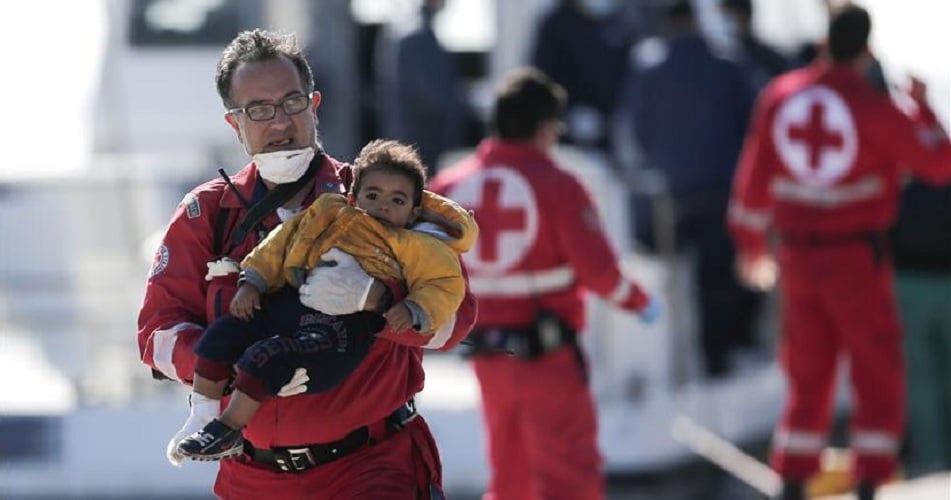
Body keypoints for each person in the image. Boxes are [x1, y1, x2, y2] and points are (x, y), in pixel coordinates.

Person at [136, 29, 476, 499]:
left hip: (372, 469)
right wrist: (233, 368)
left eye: (292, 103)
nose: (280, 122)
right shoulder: (207, 215)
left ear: (314, 105)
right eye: (259, 109)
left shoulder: (380, 196)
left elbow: (456, 321)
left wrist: (378, 302)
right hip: (252, 479)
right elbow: (156, 335)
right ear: (235, 123)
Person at [726, 5, 951, 500]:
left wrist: (749, 249)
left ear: (825, 42)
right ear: (867, 51)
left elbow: (749, 188)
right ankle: (870, 479)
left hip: (797, 260)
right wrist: (924, 107)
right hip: (855, 261)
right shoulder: (873, 109)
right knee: (875, 367)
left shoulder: (779, 98)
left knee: (806, 371)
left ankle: (791, 480)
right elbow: (937, 164)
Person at [429, 67, 660, 500]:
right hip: (547, 358)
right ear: (544, 126)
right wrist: (641, 303)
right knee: (569, 476)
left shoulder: (448, 189)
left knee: (508, 474)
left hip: (488, 357)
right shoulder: (559, 186)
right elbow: (601, 274)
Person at [171, 139, 476, 461]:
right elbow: (279, 245)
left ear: (415, 209)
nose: (383, 206)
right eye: (372, 196)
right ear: (353, 196)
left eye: (397, 200)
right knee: (223, 334)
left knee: (268, 356)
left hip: (343, 327)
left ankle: (227, 430)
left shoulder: (416, 245)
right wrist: (252, 282)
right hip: (293, 302)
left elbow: (443, 285)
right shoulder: (326, 213)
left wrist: (405, 307)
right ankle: (202, 417)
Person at [624, 0, 762, 378]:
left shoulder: (648, 68)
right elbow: (753, 123)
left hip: (671, 195)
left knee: (672, 280)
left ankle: (677, 367)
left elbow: (639, 130)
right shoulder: (727, 63)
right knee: (718, 281)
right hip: (722, 189)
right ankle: (718, 359)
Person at [890, 181, 951, 478]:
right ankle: (932, 462)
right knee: (919, 381)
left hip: (910, 277)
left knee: (920, 381)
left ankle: (932, 462)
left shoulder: (903, 146)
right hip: (908, 278)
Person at [530, 0, 636, 157]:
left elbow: (629, 77)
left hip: (608, 139)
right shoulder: (555, 23)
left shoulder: (621, 20)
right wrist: (566, 116)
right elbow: (540, 79)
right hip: (563, 139)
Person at [375, 0, 465, 176]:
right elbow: (427, 94)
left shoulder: (404, 31)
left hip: (410, 138)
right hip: (420, 139)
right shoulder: (417, 36)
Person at [719, 0, 791, 94]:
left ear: (744, 17)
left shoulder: (769, 59)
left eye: (729, 15)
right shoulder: (719, 63)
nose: (725, 23)